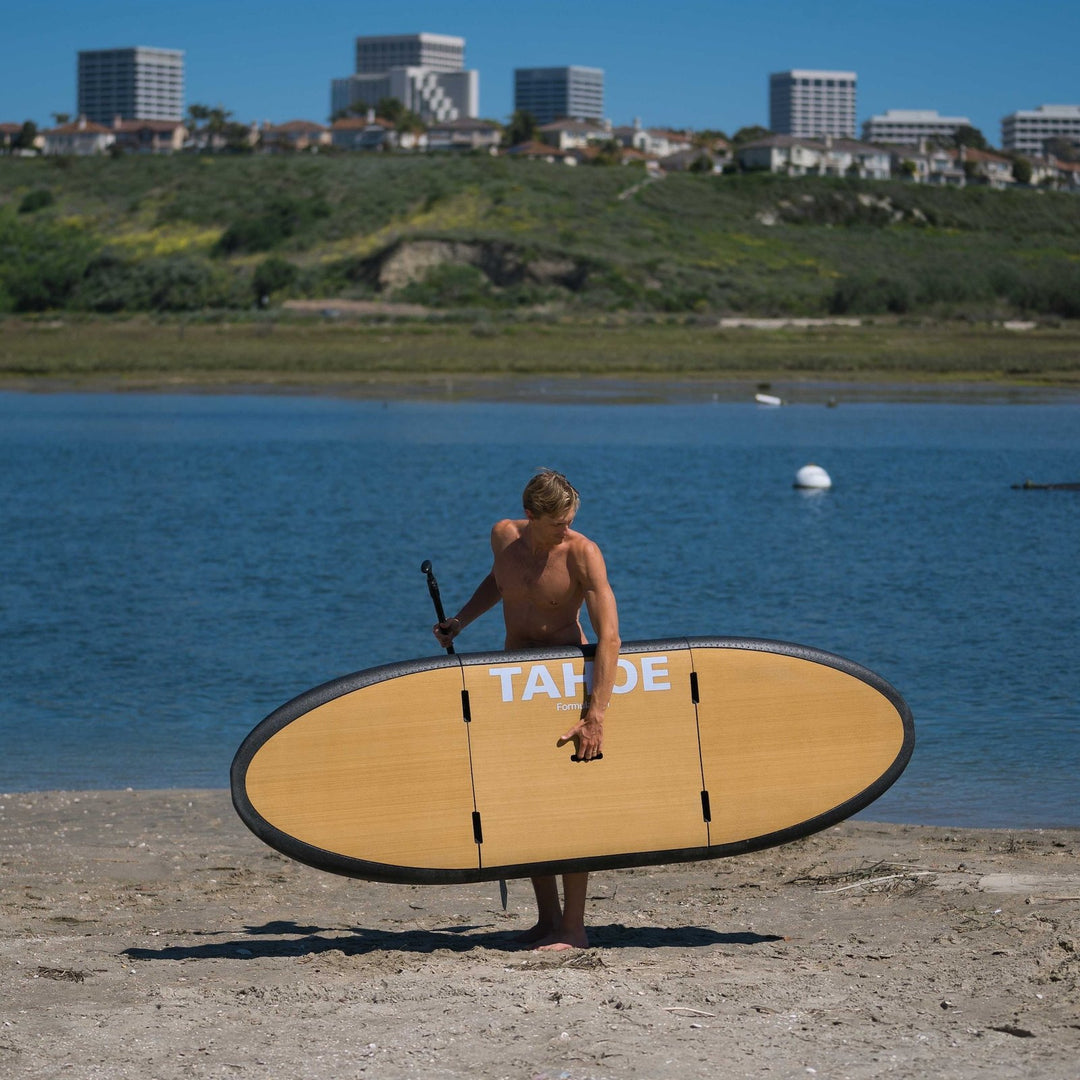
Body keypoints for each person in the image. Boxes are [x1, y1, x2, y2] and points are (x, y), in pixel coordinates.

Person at [433, 469, 621, 951]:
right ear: (531, 516)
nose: (568, 528)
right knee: (525, 798)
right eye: (559, 522)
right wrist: (460, 621)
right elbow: (500, 583)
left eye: (571, 519)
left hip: (563, 674)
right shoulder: (504, 537)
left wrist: (594, 714)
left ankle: (574, 928)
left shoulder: (583, 552)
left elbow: (611, 638)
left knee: (571, 803)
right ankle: (546, 920)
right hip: (515, 674)